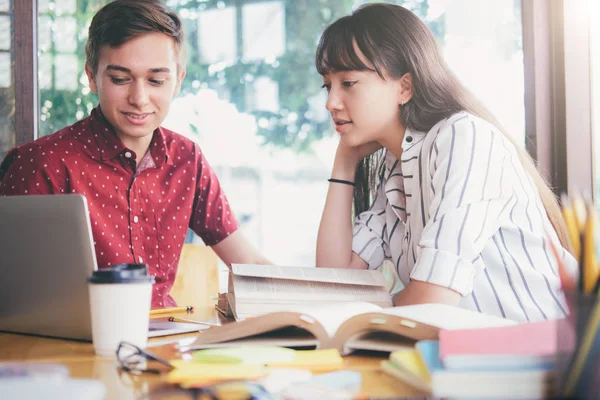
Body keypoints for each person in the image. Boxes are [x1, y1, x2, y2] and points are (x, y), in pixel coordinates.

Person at [314, 3, 576, 322]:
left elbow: (433, 298)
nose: (331, 102)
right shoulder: (396, 167)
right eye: (328, 85)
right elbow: (333, 280)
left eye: (348, 83)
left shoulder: (463, 138)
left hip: (549, 359)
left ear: (405, 87)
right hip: (471, 360)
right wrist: (344, 162)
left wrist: (357, 316)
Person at [0, 0, 270, 307]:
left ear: (178, 81)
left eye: (156, 80)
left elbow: (248, 263)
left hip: (165, 342)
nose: (139, 99)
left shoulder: (186, 159)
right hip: (72, 348)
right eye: (120, 79)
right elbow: (9, 294)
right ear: (92, 76)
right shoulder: (41, 163)